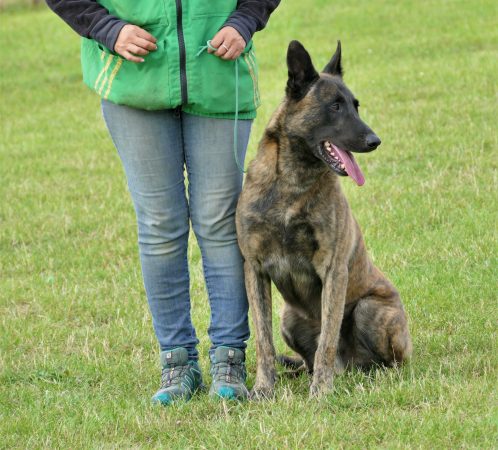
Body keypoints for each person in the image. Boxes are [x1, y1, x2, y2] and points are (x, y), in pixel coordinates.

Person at [46, 0, 280, 404]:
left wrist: (245, 20)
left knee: (221, 223)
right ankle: (178, 362)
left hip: (218, 74)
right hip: (134, 79)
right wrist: (105, 27)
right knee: (159, 225)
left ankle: (230, 356)